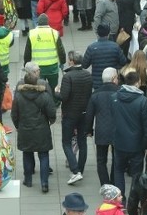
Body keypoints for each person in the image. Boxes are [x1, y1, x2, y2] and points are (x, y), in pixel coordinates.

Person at [11, 62, 56, 192]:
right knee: (44, 155)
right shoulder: (44, 96)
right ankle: (44, 183)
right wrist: (50, 121)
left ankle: (28, 179)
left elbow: (14, 114)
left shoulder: (19, 97)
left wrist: (18, 125)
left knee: (27, 153)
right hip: (41, 129)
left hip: (25, 129)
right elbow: (51, 111)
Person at [112, 69, 147, 197]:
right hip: (136, 144)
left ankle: (120, 199)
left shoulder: (115, 97)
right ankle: (133, 200)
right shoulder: (142, 101)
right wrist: (145, 144)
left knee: (118, 170)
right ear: (138, 83)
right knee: (137, 174)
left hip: (119, 142)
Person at [59, 50, 92, 185]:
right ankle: (81, 169)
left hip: (70, 114)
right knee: (82, 142)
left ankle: (75, 170)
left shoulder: (68, 77)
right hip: (84, 113)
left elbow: (63, 97)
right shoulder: (88, 75)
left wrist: (56, 92)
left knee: (66, 142)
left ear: (71, 61)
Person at [86, 67, 120, 186]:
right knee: (117, 159)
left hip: (102, 130)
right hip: (118, 131)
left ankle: (105, 184)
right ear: (113, 79)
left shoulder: (95, 94)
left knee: (101, 160)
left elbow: (89, 114)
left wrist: (89, 130)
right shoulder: (120, 92)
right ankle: (114, 182)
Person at [23, 13, 66, 96]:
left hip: (37, 67)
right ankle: (54, 102)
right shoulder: (54, 33)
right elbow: (61, 50)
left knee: (39, 87)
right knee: (53, 86)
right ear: (47, 22)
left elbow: (27, 51)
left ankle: (41, 102)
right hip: (52, 66)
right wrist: (62, 61)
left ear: (38, 22)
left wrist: (26, 63)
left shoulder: (32, 33)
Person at [82, 23, 127, 89]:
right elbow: (123, 62)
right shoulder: (115, 46)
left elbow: (84, 65)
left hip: (97, 82)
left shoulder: (91, 48)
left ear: (98, 34)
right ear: (108, 34)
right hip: (112, 81)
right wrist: (116, 66)